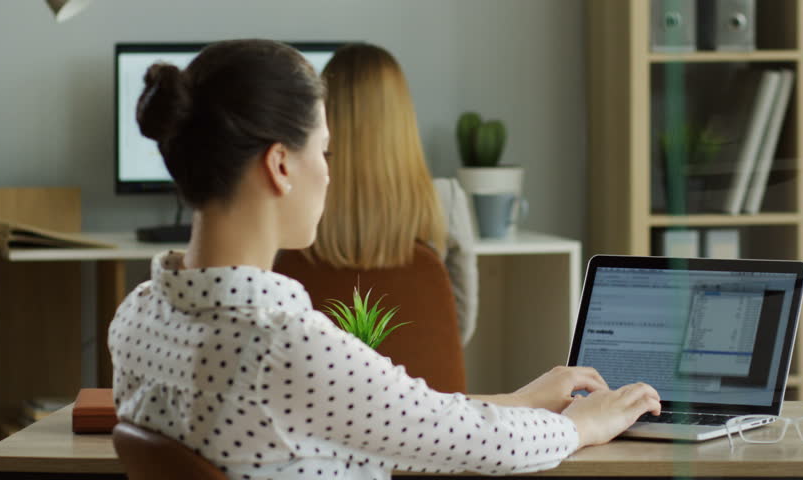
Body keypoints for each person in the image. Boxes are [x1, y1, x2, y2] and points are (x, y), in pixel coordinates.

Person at [108, 39, 661, 480]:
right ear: (280, 165)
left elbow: (383, 416)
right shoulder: (282, 342)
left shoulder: (138, 315)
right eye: (323, 151)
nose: (329, 171)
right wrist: (583, 427)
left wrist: (517, 401)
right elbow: (484, 445)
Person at [305, 43, 478, 345]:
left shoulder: (297, 200)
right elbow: (459, 326)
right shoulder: (445, 199)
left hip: (319, 385)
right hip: (421, 388)